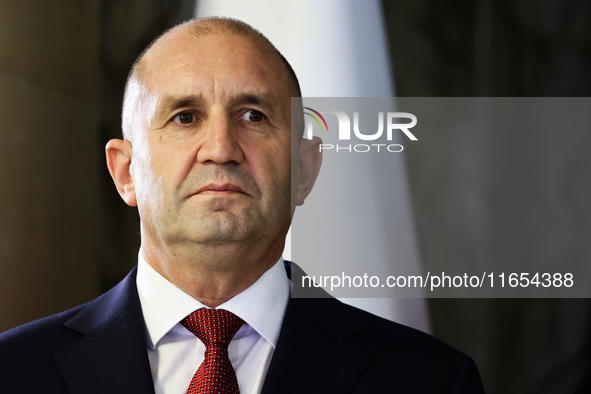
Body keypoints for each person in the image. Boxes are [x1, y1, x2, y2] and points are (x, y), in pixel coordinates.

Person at [0, 17, 485, 393]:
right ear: (127, 172)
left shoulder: (432, 381)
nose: (221, 147)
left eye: (253, 115)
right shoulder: (13, 372)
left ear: (305, 170)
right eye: (184, 116)